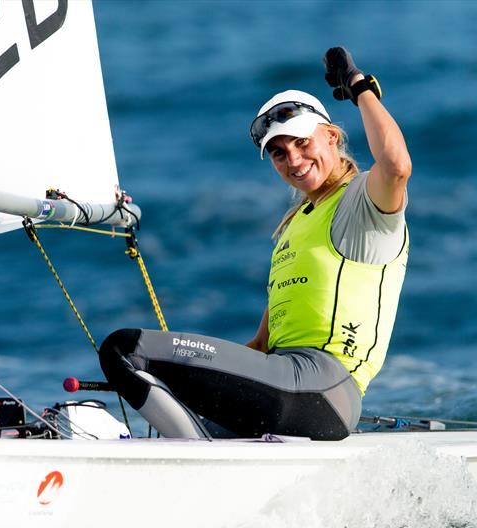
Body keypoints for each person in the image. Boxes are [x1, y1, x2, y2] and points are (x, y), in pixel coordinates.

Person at [99, 47, 411, 441]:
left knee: (124, 350)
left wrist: (358, 85)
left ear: (331, 136)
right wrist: (192, 381)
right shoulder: (295, 226)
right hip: (287, 385)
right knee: (178, 410)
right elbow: (261, 346)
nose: (293, 160)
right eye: (279, 154)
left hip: (322, 387)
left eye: (301, 143)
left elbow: (397, 166)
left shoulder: (361, 205)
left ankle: (198, 463)